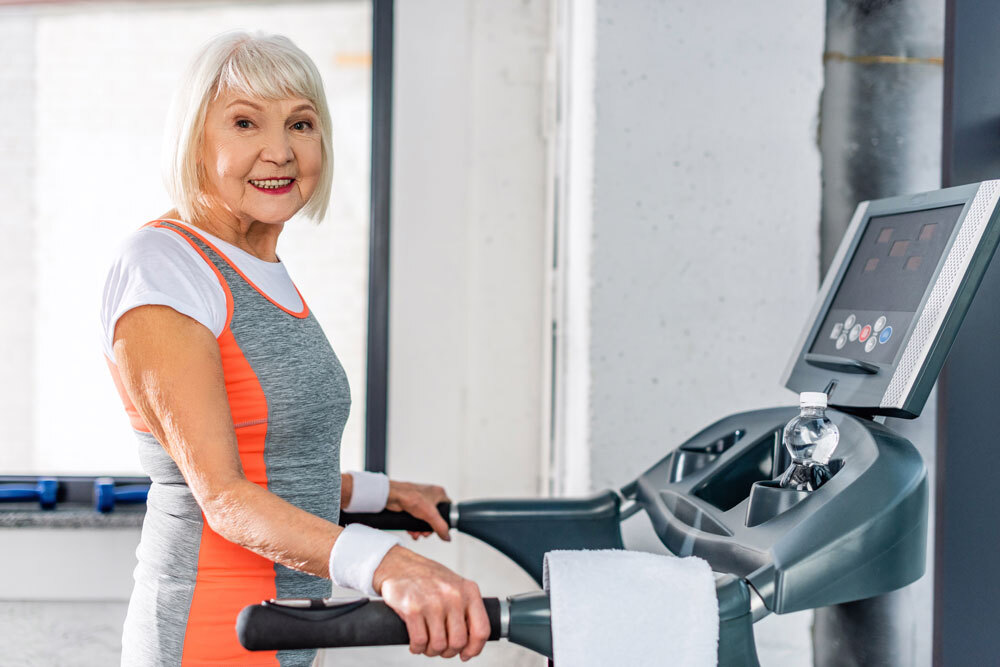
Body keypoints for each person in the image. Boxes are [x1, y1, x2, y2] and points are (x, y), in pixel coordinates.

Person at [100, 31, 490, 666]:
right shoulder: (165, 266)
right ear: (196, 139)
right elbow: (221, 493)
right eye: (245, 122)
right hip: (208, 636)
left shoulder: (257, 264)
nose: (279, 151)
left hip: (286, 632)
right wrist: (389, 566)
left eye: (301, 124)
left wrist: (376, 492)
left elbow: (263, 454)